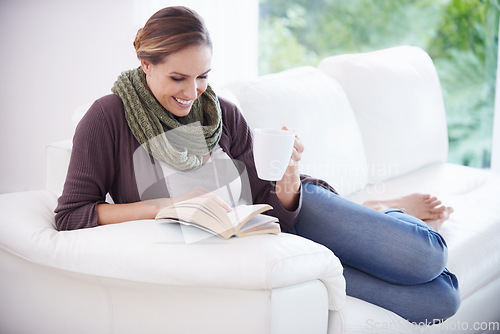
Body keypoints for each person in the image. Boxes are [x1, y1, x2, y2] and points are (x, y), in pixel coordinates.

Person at [54, 6, 460, 324]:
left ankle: (386, 209)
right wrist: (162, 209)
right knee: (441, 299)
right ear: (146, 63)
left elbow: (269, 198)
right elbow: (71, 215)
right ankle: (372, 212)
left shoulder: (223, 113)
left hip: (290, 213)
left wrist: (286, 181)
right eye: (178, 78)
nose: (192, 92)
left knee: (427, 257)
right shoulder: (107, 118)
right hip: (258, 249)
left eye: (202, 77)